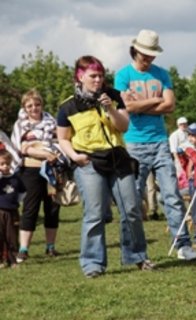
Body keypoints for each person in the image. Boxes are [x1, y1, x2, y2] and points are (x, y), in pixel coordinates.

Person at [57, 55, 153, 278]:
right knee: (95, 213)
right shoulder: (67, 107)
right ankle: (92, 264)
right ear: (80, 77)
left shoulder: (113, 96)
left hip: (118, 159)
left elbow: (124, 126)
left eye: (101, 75)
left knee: (131, 209)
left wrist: (110, 109)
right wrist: (75, 156)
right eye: (93, 76)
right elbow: (62, 138)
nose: (98, 80)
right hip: (89, 162)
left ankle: (137, 256)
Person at [114, 29, 196, 261]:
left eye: (152, 54)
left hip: (160, 141)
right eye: (145, 54)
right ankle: (133, 251)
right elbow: (126, 108)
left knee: (172, 194)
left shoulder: (162, 74)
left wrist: (139, 103)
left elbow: (170, 105)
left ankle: (183, 244)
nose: (148, 58)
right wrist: (155, 99)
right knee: (133, 199)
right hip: (134, 144)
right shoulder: (123, 75)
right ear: (136, 50)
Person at [11, 89, 62, 263]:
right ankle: (24, 249)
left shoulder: (51, 121)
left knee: (53, 207)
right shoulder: (21, 125)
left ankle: (51, 246)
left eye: (37, 104)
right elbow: (21, 148)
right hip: (31, 170)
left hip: (51, 169)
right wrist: (42, 153)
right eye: (30, 106)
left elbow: (59, 141)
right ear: (25, 108)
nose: (34, 108)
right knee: (30, 208)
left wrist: (48, 152)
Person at [0, 149, 26, 268]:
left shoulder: (15, 179)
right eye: (1, 164)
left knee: (12, 236)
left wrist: (16, 201)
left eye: (7, 164)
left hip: (12, 211)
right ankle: (1, 260)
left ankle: (13, 259)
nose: (5, 167)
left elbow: (22, 191)